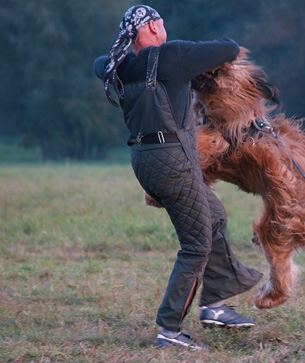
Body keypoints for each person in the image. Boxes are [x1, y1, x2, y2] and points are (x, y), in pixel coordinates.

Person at [93, 5, 262, 350]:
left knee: (213, 216)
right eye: (161, 23)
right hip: (174, 162)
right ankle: (169, 329)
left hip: (144, 162)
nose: (165, 28)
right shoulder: (173, 56)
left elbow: (100, 62)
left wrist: (125, 46)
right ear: (153, 28)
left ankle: (215, 304)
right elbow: (228, 47)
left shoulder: (117, 66)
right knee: (196, 245)